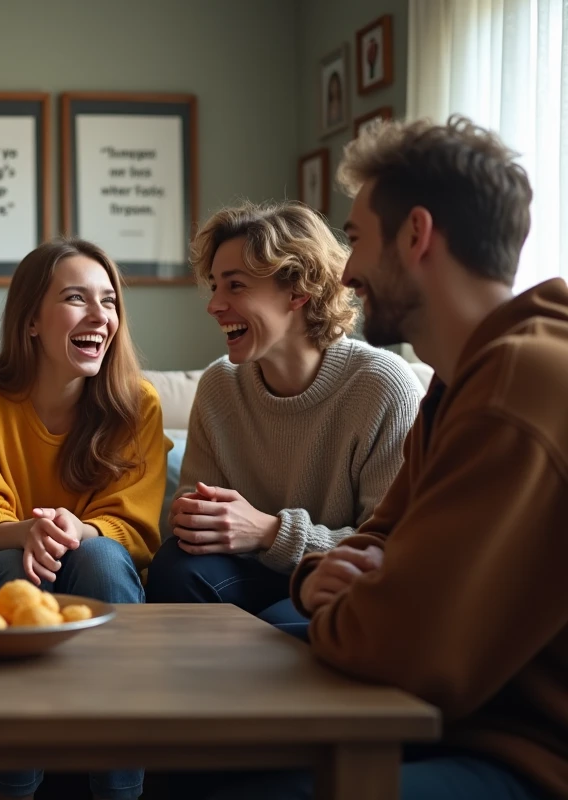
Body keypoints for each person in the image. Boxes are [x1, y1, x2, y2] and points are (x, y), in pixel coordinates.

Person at [210, 116, 567, 799]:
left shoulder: (519, 387)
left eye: (354, 239)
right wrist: (320, 578)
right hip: (465, 721)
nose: (346, 271)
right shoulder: (461, 380)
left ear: (415, 235)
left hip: (530, 753)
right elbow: (380, 539)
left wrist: (359, 595)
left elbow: (412, 648)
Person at [0, 238, 166, 800]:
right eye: (75, 299)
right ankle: (12, 789)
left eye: (109, 301)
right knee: (19, 565)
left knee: (104, 557)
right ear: (32, 321)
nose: (99, 316)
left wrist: (70, 529)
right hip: (2, 570)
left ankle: (119, 791)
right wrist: (29, 531)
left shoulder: (138, 404)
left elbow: (132, 527)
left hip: (96, 567)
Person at [145, 201, 422, 639]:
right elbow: (200, 523)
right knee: (175, 567)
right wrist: (194, 519)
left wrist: (271, 532)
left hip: (337, 577)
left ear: (297, 292)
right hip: (248, 574)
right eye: (215, 286)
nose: (214, 305)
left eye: (235, 286)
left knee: (280, 630)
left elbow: (394, 548)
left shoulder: (382, 385)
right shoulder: (221, 384)